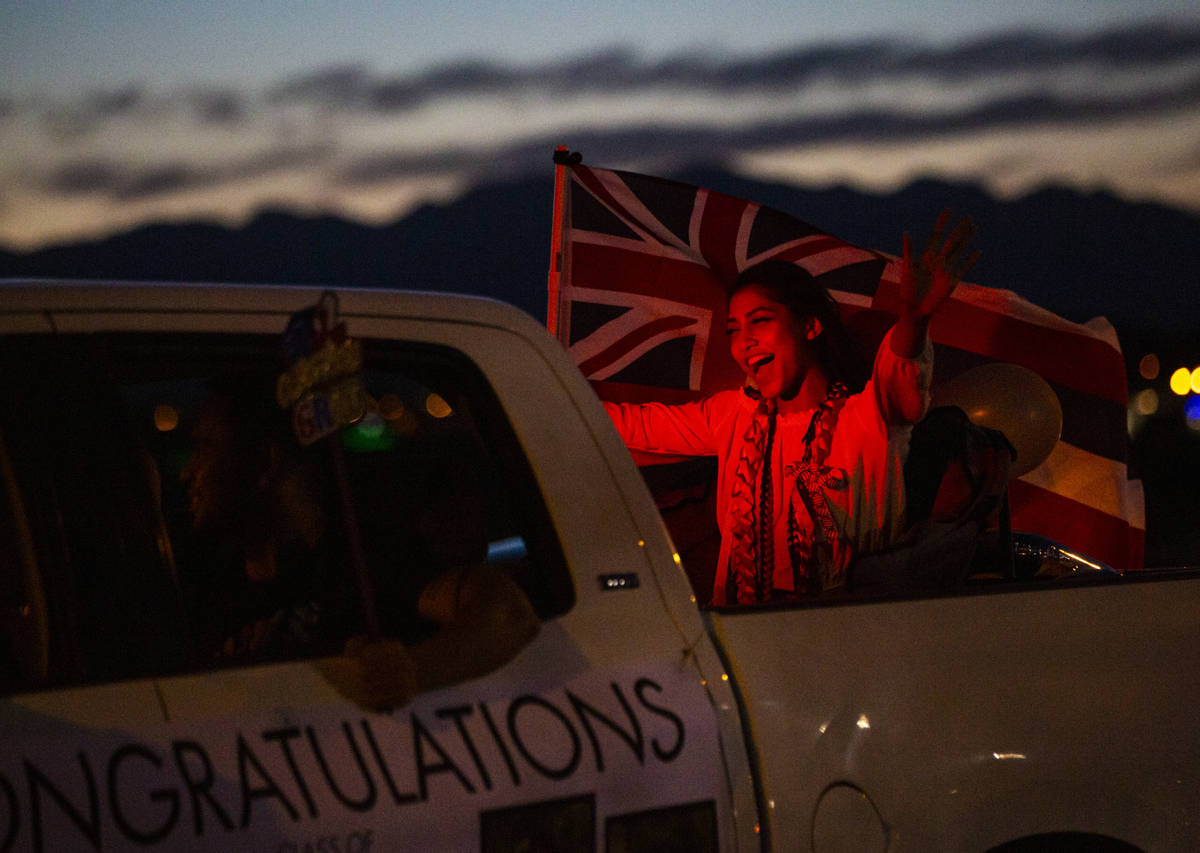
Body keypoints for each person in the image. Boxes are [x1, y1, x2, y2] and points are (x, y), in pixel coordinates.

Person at [604, 212, 979, 605]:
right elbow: (631, 424)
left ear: (810, 327)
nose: (743, 342)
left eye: (760, 321)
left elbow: (899, 366)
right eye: (733, 330)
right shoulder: (733, 416)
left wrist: (914, 319)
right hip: (749, 638)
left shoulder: (868, 417)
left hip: (849, 631)